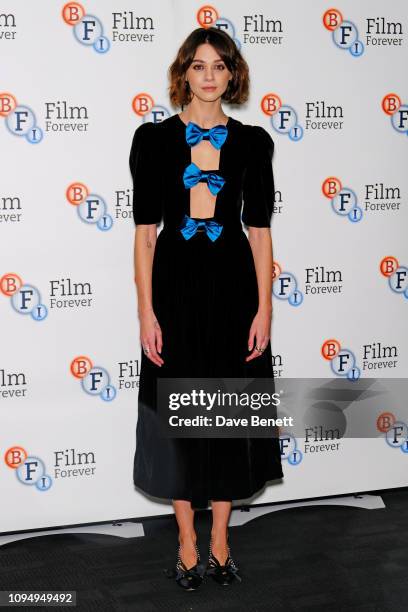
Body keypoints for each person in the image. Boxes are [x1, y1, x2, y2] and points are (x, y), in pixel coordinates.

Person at [130, 26, 284, 591]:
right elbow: (146, 236)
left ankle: (220, 540)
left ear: (232, 74)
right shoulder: (153, 141)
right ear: (184, 74)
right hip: (173, 285)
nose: (210, 75)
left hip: (233, 288)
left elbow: (261, 235)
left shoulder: (253, 143)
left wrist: (264, 309)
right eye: (199, 66)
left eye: (220, 65)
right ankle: (186, 542)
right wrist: (146, 312)